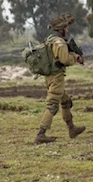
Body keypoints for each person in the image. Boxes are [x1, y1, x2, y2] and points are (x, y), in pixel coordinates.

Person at [35, 13, 86, 144]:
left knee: (66, 102)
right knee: (52, 105)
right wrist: (76, 57)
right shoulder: (59, 42)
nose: (67, 30)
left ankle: (72, 129)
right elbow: (64, 59)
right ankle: (41, 134)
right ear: (61, 29)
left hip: (50, 76)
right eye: (66, 28)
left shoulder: (50, 39)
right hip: (56, 77)